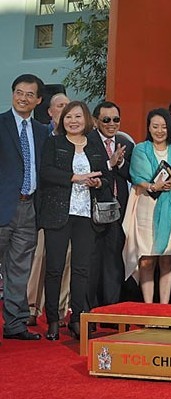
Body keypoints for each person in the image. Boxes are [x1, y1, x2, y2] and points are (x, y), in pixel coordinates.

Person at [39, 100, 111, 340]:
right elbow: (46, 172)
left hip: (86, 215)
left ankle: (78, 318)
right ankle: (52, 319)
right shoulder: (54, 142)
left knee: (82, 269)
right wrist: (74, 177)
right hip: (58, 213)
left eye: (78, 117)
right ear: (63, 120)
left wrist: (98, 183)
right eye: (68, 117)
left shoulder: (94, 145)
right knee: (55, 269)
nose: (73, 121)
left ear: (87, 119)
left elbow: (106, 178)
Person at [0, 74, 46, 341]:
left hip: (29, 207)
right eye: (19, 92)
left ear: (38, 100)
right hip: (3, 205)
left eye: (30, 94)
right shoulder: (1, 123)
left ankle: (15, 324)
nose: (23, 98)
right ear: (12, 93)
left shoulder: (42, 131)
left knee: (19, 269)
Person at [122, 108, 171, 304]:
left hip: (170, 209)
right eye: (155, 126)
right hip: (146, 206)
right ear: (149, 127)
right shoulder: (140, 149)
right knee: (146, 259)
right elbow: (138, 176)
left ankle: (164, 308)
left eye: (164, 127)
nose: (159, 131)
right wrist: (153, 186)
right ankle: (148, 306)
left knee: (167, 259)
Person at [27, 92, 72, 328]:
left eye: (68, 105)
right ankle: (31, 307)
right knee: (40, 258)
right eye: (60, 105)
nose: (64, 110)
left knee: (65, 260)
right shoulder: (40, 135)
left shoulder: (78, 138)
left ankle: (62, 310)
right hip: (43, 206)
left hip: (69, 208)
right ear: (50, 111)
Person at [87, 101, 134, 309]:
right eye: (106, 120)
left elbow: (131, 175)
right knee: (93, 260)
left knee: (115, 259)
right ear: (96, 121)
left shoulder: (126, 143)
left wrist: (121, 163)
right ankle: (93, 309)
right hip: (93, 209)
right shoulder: (87, 142)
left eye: (116, 119)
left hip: (118, 209)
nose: (111, 123)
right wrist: (109, 163)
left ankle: (112, 309)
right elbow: (88, 170)